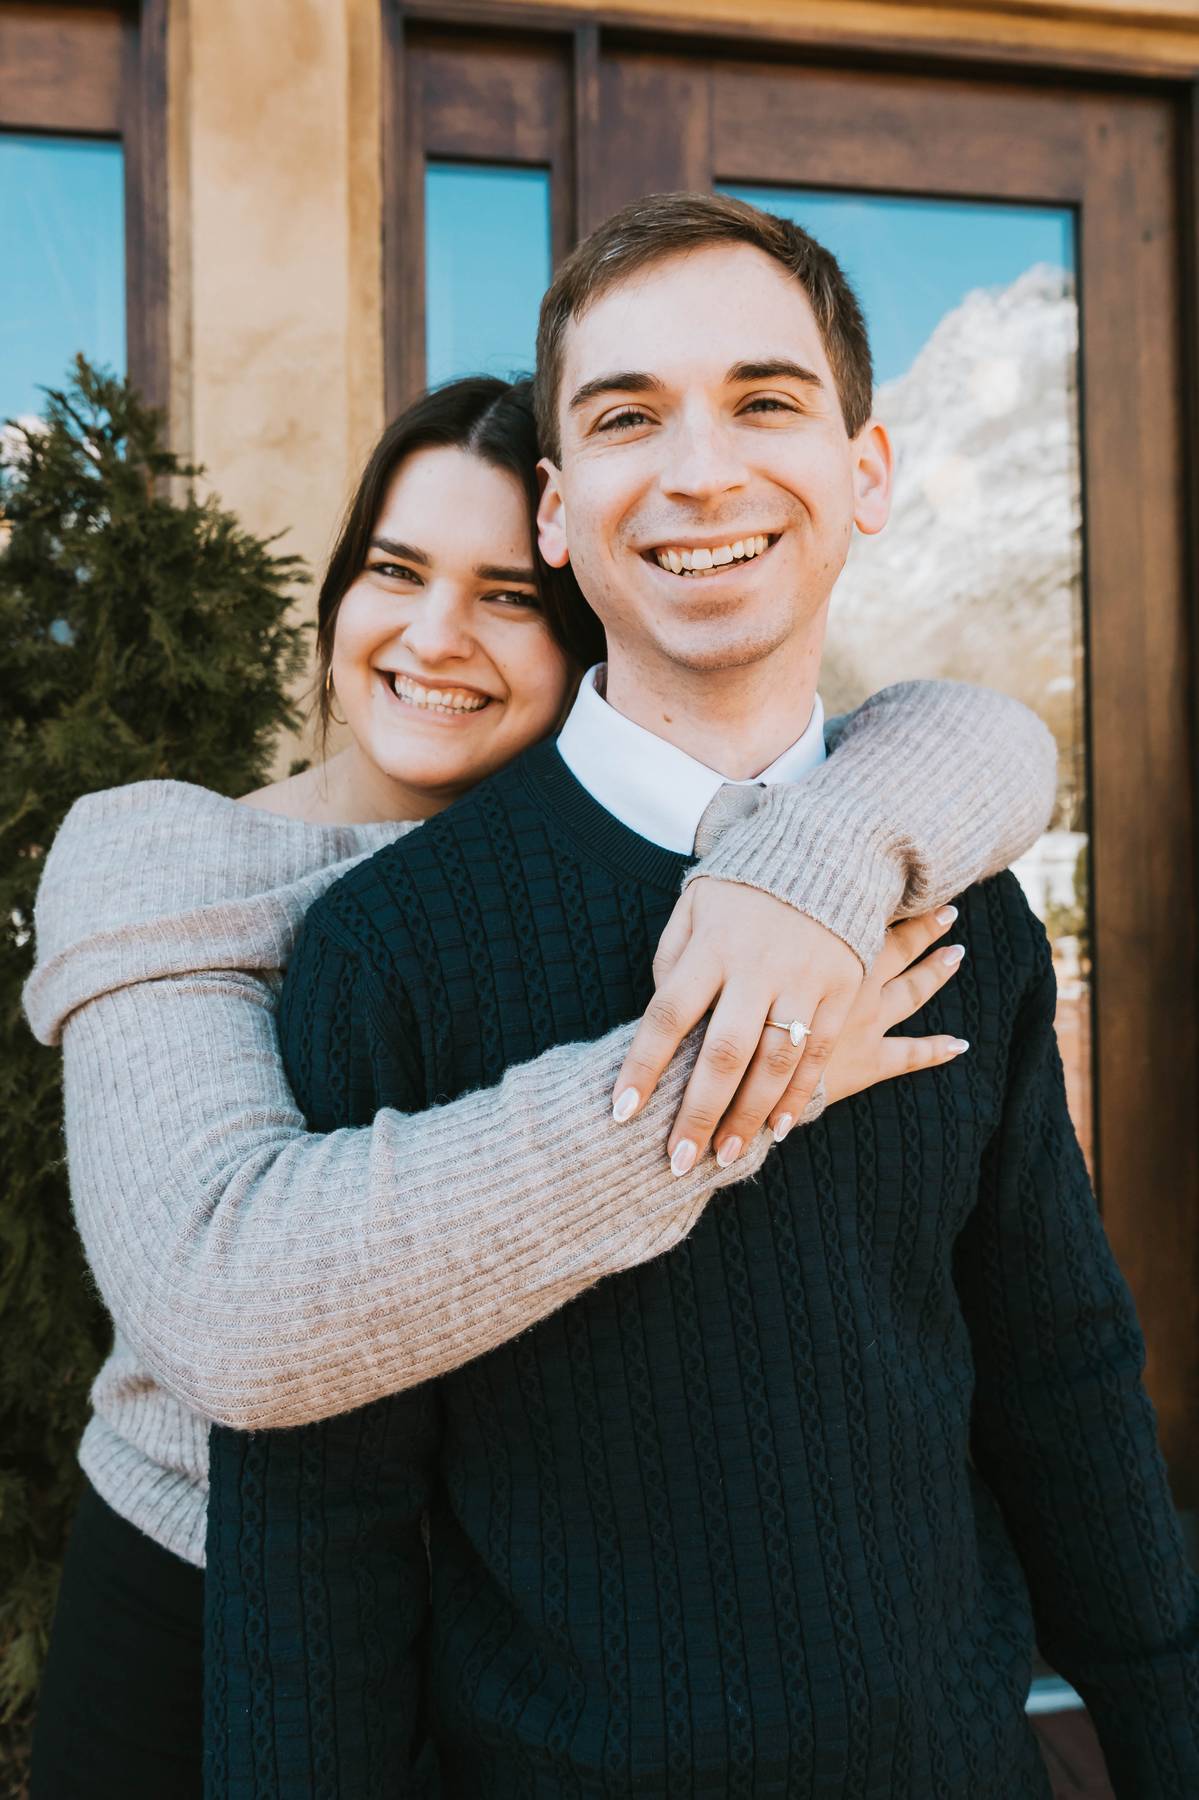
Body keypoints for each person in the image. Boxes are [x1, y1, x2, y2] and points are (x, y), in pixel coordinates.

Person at [204, 195, 1199, 1799]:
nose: (699, 471)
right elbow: (317, 1541)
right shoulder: (387, 955)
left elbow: (1060, 1382)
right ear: (554, 510)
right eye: (626, 418)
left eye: (764, 401)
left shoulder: (971, 916)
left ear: (865, 472)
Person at [24, 372, 1051, 1800]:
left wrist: (823, 864)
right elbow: (228, 1301)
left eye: (507, 595)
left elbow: (984, 740)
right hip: (196, 1594)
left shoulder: (664, 872)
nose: (433, 635)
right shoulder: (160, 861)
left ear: (588, 636)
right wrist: (737, 1082)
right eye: (395, 569)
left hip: (529, 1610)